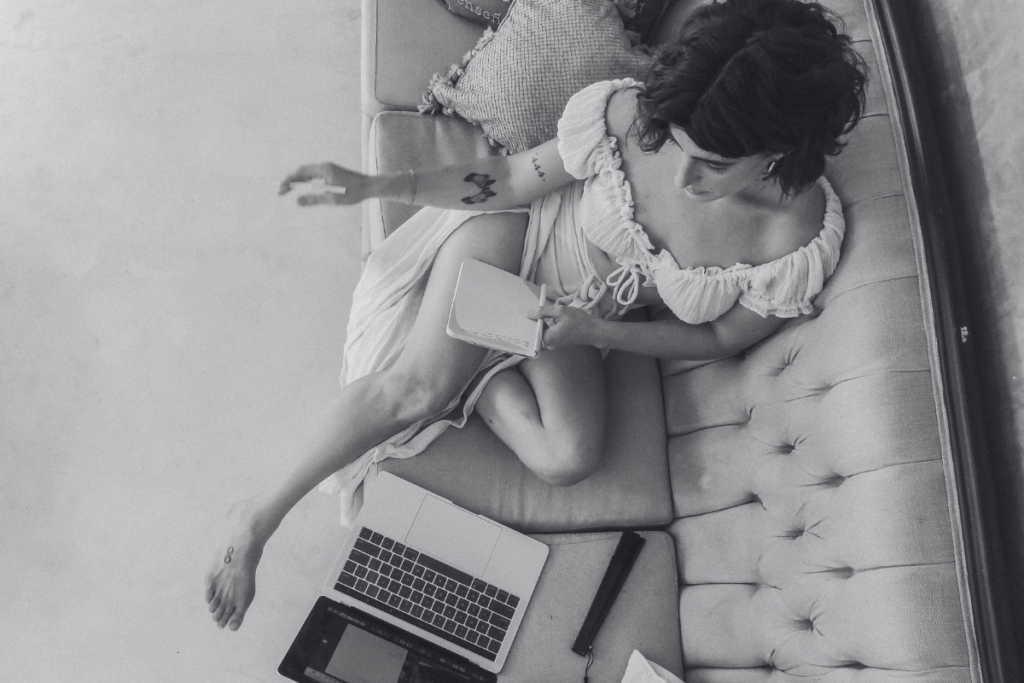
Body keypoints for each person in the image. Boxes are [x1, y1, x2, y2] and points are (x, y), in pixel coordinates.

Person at [206, 0, 867, 631]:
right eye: (678, 146)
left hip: (572, 320)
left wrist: (596, 332)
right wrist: (382, 185)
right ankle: (256, 520)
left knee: (568, 456)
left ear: (780, 147)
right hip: (520, 234)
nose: (684, 178)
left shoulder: (793, 242)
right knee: (415, 387)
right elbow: (515, 181)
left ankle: (484, 372)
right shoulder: (629, 113)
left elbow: (721, 335)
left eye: (714, 165)